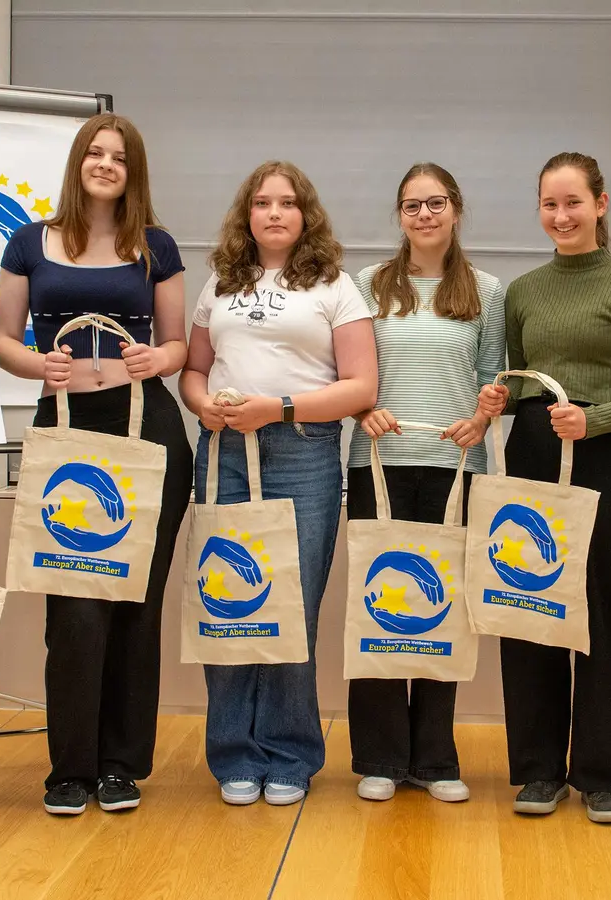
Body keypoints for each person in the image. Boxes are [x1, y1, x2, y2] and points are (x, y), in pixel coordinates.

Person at [0, 113, 193, 817]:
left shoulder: (155, 246)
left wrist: (154, 359)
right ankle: (69, 768)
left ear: (133, 170)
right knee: (73, 607)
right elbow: (2, 341)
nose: (106, 164)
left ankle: (120, 765)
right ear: (78, 162)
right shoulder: (29, 242)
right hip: (68, 432)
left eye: (119, 157)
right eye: (95, 153)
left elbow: (176, 346)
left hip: (148, 434)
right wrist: (35, 363)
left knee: (135, 604)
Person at [476, 152, 611, 824]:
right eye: (549, 205)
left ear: (601, 204)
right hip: (533, 454)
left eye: (572, 203)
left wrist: (594, 421)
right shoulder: (524, 291)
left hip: (604, 457)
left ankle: (599, 773)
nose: (561, 217)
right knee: (528, 605)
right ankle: (537, 770)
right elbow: (519, 384)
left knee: (598, 616)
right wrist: (492, 400)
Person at [180, 161, 377, 806]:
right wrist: (202, 404)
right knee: (229, 599)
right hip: (225, 452)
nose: (273, 213)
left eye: (287, 203)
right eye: (262, 202)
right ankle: (234, 752)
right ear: (246, 214)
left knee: (293, 606)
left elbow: (360, 388)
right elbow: (194, 370)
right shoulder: (219, 283)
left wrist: (281, 408)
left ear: (305, 214)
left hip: (301, 451)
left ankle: (290, 753)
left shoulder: (335, 286)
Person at [347, 163, 505, 804]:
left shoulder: (487, 290)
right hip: (378, 466)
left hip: (456, 470)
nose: (425, 215)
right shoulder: (367, 284)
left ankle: (435, 759)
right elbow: (349, 371)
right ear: (400, 215)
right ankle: (381, 759)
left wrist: (484, 412)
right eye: (412, 205)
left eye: (436, 203)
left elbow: (496, 375)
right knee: (381, 607)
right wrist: (362, 409)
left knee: (444, 613)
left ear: (456, 209)